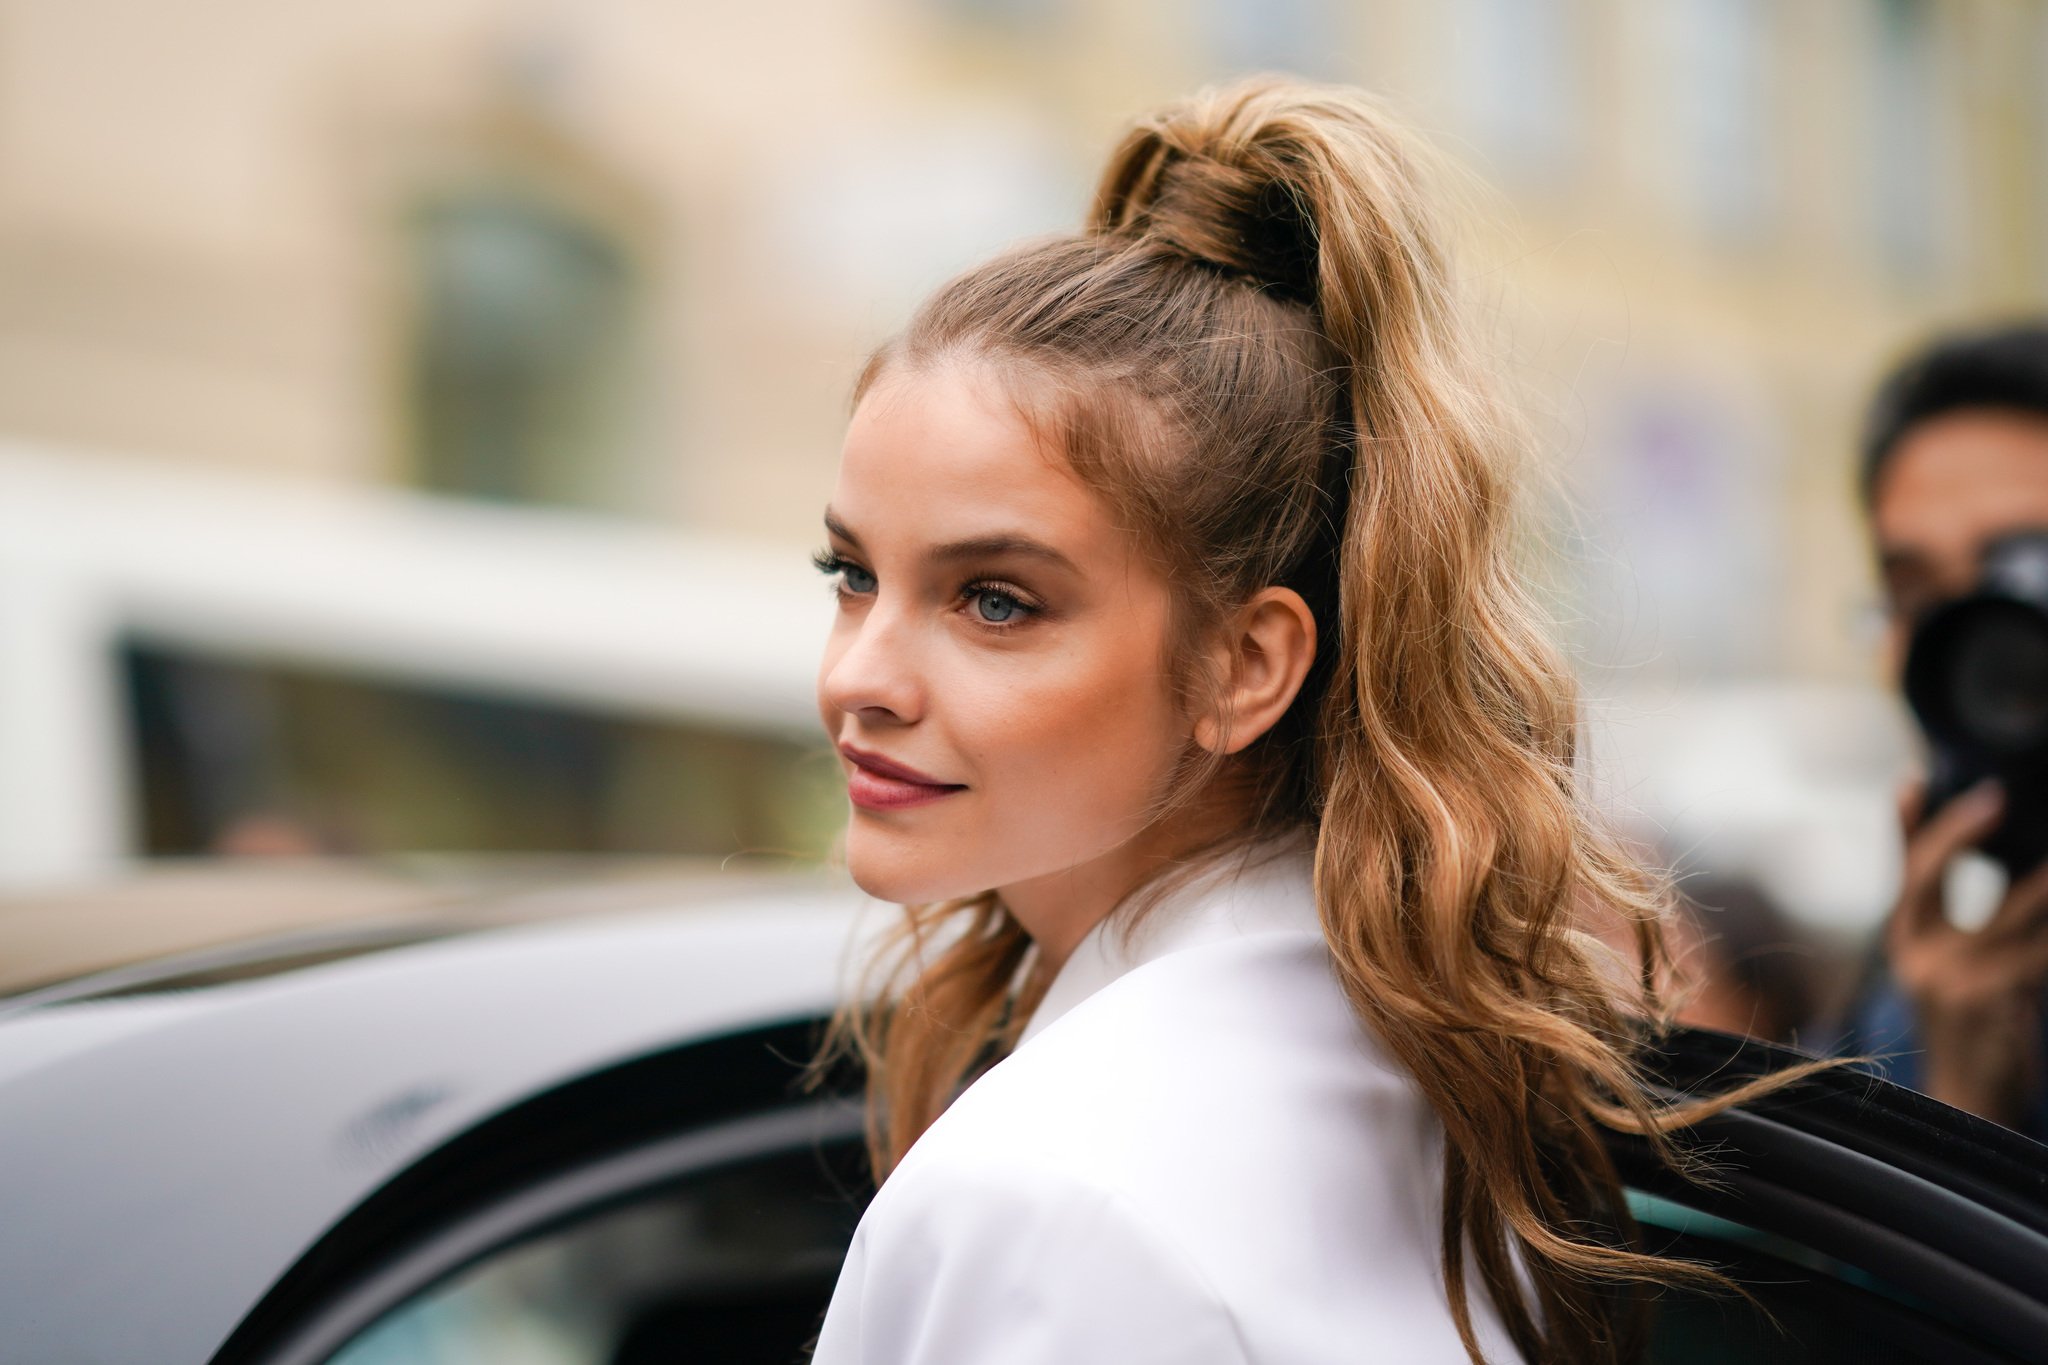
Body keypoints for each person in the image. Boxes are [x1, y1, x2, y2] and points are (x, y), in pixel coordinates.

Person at [806, 79, 1799, 1365]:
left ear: (1244, 663)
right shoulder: (1406, 1067)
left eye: (994, 601)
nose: (859, 678)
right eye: (851, 576)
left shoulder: (1054, 1200)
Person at [1841, 322, 2048, 1139]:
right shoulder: (1920, 975)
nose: (1973, 645)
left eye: (2026, 575)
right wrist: (1963, 1097)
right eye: (1920, 599)